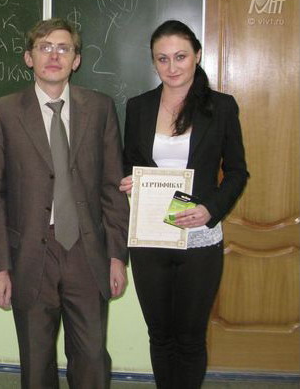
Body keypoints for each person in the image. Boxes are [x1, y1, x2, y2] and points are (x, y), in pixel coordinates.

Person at [0, 18, 130, 389]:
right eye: (44, 47)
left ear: (76, 60)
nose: (54, 56)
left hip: (87, 252)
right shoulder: (3, 111)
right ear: (28, 57)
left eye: (64, 48)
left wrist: (117, 255)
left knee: (92, 356)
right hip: (30, 254)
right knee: (36, 360)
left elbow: (112, 187)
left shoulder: (100, 108)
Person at [119, 20, 249, 388]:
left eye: (180, 56)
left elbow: (237, 172)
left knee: (190, 338)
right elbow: (130, 162)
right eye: (162, 59)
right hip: (150, 237)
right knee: (160, 335)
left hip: (199, 237)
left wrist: (211, 210)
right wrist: (130, 181)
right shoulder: (138, 106)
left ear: (197, 56)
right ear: (153, 62)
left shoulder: (221, 107)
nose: (172, 66)